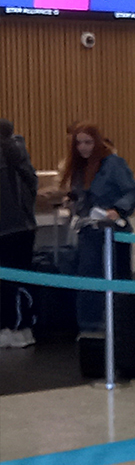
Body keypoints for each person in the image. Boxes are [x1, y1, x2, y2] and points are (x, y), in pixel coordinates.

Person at [49, 123, 135, 336]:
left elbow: (132, 192)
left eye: (87, 142)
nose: (83, 147)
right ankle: (90, 328)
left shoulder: (113, 164)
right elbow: (82, 195)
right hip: (90, 230)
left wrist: (118, 210)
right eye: (79, 143)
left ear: (96, 142)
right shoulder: (79, 167)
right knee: (89, 279)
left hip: (113, 231)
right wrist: (72, 200)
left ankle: (118, 328)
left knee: (113, 279)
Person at [0, 119, 38, 348]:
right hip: (23, 224)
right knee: (20, 278)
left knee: (7, 282)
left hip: (6, 226)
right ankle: (22, 327)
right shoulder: (17, 148)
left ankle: (11, 327)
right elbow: (32, 182)